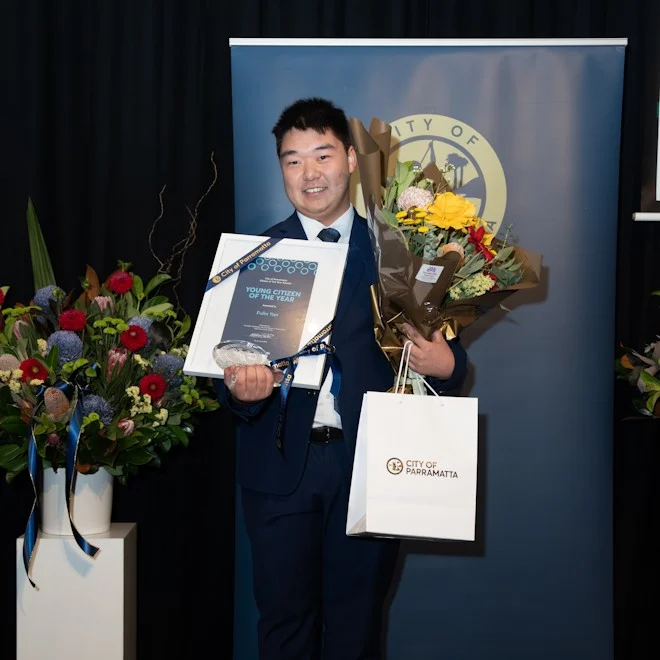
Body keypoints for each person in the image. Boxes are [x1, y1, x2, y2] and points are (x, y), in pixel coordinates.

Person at [217, 97, 468, 660]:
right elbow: (225, 371)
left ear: (352, 160)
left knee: (357, 628)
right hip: (279, 466)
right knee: (284, 626)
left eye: (323, 155)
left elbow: (449, 359)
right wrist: (240, 391)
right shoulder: (254, 257)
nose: (310, 173)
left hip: (370, 467)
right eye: (293, 160)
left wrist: (446, 366)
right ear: (281, 169)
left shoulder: (400, 253)